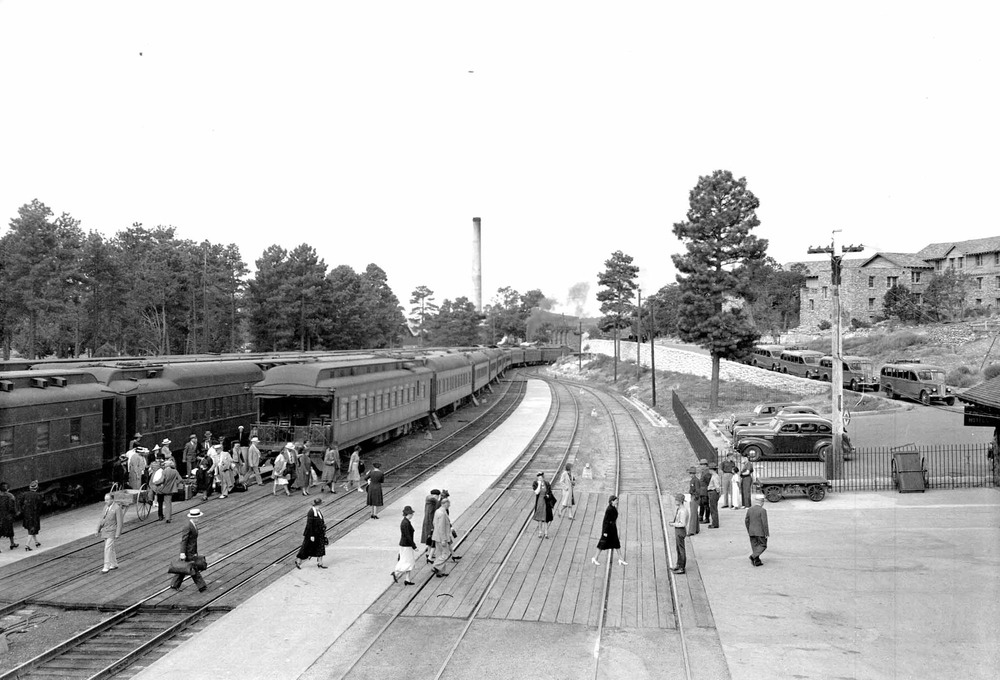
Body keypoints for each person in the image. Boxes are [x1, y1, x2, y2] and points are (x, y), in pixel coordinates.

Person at [171, 508, 208, 591]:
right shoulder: (188, 526)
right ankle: (201, 586)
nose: (198, 519)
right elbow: (184, 540)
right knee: (193, 568)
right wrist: (182, 553)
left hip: (191, 551)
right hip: (188, 552)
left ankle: (174, 584)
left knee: (183, 568)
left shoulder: (193, 525)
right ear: (193, 518)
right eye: (197, 518)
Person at [591, 495, 627, 566]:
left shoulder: (613, 507)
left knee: (616, 543)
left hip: (613, 528)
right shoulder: (609, 509)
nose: (617, 501)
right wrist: (605, 532)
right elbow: (606, 521)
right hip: (608, 530)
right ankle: (594, 558)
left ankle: (621, 559)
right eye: (616, 500)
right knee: (602, 544)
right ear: (612, 501)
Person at [294, 498, 327, 569]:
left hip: (319, 533)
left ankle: (320, 563)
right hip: (311, 534)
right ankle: (298, 561)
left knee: (320, 547)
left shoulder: (318, 511)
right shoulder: (311, 512)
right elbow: (309, 525)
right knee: (306, 547)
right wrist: (312, 535)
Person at [96, 493, 123, 573]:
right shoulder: (106, 507)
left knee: (107, 548)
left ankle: (106, 565)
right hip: (105, 530)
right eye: (105, 499)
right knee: (111, 548)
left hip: (112, 530)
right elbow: (102, 519)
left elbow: (120, 522)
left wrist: (118, 533)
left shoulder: (117, 508)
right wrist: (98, 529)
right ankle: (114, 563)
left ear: (112, 499)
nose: (106, 501)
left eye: (107, 500)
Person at [391, 505, 417, 585]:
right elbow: (407, 535)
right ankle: (396, 573)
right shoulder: (405, 523)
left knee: (409, 561)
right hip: (406, 545)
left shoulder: (405, 522)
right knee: (406, 561)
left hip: (405, 544)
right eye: (411, 513)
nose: (412, 515)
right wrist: (414, 546)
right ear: (408, 514)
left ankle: (407, 579)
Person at [431, 497, 454, 577]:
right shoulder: (442, 514)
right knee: (446, 554)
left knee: (439, 553)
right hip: (442, 538)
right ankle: (435, 566)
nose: (449, 505)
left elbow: (434, 523)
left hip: (436, 536)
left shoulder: (437, 511)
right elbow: (442, 528)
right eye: (448, 504)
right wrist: (444, 539)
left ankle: (440, 572)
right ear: (444, 504)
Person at [745, 494, 770, 566]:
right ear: (762, 502)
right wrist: (766, 533)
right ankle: (753, 556)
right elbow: (764, 523)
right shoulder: (763, 510)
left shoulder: (750, 510)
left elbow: (746, 521)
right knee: (763, 545)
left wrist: (749, 530)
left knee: (755, 546)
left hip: (751, 531)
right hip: (760, 532)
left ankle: (757, 561)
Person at [669, 493, 689, 574]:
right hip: (678, 530)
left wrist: (673, 524)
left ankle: (682, 567)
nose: (675, 501)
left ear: (680, 501)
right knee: (678, 548)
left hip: (680, 530)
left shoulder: (683, 511)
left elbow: (683, 524)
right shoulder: (680, 510)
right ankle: (678, 565)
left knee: (681, 549)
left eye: (676, 500)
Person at [532, 471, 555, 538]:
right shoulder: (535, 483)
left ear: (543, 478)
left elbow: (550, 492)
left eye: (541, 477)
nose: (540, 479)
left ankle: (546, 533)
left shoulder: (547, 483)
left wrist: (548, 495)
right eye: (538, 478)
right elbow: (536, 492)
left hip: (546, 502)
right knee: (539, 517)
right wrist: (539, 485)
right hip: (539, 501)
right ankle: (540, 532)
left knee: (546, 517)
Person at [421, 489, 441, 564]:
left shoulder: (429, 501)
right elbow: (431, 513)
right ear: (435, 496)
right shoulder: (432, 502)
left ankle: (429, 553)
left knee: (429, 537)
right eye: (437, 496)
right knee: (431, 537)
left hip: (427, 521)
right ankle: (429, 553)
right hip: (430, 522)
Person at [21, 480, 42, 550]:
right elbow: (40, 506)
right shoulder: (38, 495)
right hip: (34, 514)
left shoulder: (25, 494)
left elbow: (20, 503)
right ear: (37, 488)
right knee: (32, 529)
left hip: (26, 514)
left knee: (30, 528)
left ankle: (36, 542)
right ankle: (27, 545)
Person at [0, 482, 18, 550]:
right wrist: (15, 513)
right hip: (8, 516)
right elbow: (11, 507)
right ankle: (12, 543)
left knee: (1, 531)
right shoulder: (10, 496)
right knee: (10, 530)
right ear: (7, 489)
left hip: (1, 517)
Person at [706, 463, 722, 529]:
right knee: (713, 508)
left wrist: (717, 492)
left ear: (712, 469)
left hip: (713, 492)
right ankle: (714, 523)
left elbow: (717, 486)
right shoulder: (715, 476)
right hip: (713, 492)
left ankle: (715, 524)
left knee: (713, 509)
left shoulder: (714, 476)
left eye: (709, 469)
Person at [686, 467, 701, 536]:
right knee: (694, 513)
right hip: (693, 496)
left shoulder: (696, 480)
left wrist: (696, 496)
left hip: (694, 497)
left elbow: (697, 490)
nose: (691, 474)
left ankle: (692, 530)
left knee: (693, 514)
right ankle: (696, 528)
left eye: (691, 473)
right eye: (690, 473)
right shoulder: (693, 480)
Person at [697, 459, 711, 523]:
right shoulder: (704, 472)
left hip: (705, 491)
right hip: (702, 491)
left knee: (706, 505)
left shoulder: (707, 473)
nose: (701, 466)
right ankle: (701, 517)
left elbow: (708, 482)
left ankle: (707, 518)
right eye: (701, 465)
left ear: (705, 465)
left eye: (702, 465)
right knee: (702, 504)